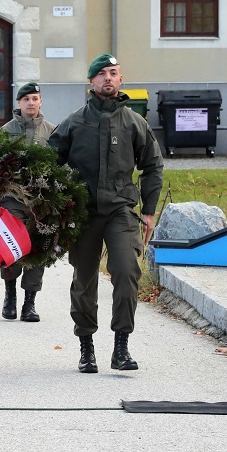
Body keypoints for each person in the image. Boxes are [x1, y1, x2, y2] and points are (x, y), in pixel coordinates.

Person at [48, 54, 163, 374]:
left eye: (113, 73)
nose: (108, 78)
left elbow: (153, 166)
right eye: (102, 74)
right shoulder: (74, 122)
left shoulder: (134, 123)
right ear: (91, 82)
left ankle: (121, 347)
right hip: (84, 212)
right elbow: (46, 163)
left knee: (127, 271)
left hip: (121, 210)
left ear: (121, 79)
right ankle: (86, 347)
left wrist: (149, 211)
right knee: (84, 280)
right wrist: (51, 204)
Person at [0, 82, 55, 322]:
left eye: (35, 98)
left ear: (41, 102)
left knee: (38, 247)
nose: (31, 103)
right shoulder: (6, 131)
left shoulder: (52, 131)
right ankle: (10, 294)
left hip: (41, 202)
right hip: (12, 200)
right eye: (26, 99)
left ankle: (29, 302)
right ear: (18, 103)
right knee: (11, 246)